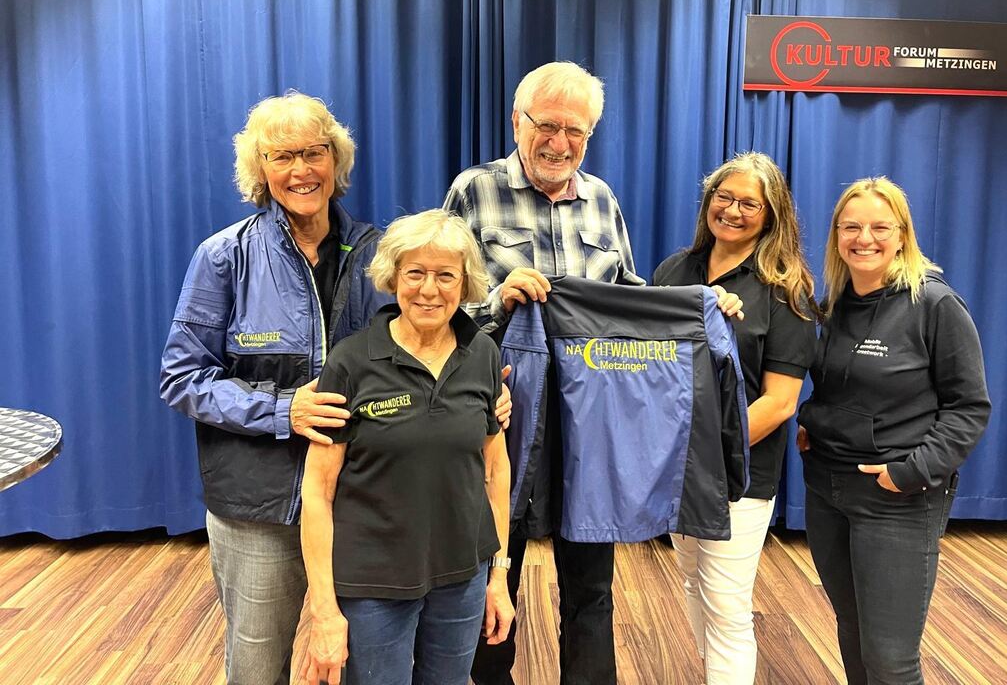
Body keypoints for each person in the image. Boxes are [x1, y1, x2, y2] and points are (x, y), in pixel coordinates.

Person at [160, 93, 511, 684]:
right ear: (260, 169)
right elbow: (182, 378)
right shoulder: (224, 257)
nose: (301, 170)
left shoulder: (378, 251)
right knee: (257, 666)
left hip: (369, 510)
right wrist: (282, 410)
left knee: (361, 664)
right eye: (282, 156)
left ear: (336, 159)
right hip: (261, 506)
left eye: (314, 152)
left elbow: (432, 329)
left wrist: (478, 392)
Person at [444, 61, 643, 685]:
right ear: (517, 121)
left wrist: (701, 306)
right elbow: (434, 302)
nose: (560, 143)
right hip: (502, 416)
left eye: (575, 131)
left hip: (589, 423)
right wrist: (497, 301)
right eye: (547, 126)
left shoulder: (602, 199)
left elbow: (628, 296)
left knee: (592, 583)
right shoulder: (473, 190)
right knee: (493, 571)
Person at [299, 209, 514, 685]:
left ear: (466, 283)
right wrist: (324, 611)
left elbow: (496, 470)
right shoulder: (351, 362)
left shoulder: (482, 354)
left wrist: (498, 574)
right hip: (372, 583)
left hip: (462, 576)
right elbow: (317, 492)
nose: (429, 290)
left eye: (446, 276)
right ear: (393, 277)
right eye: (415, 273)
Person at [797, 177, 991, 684]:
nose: (865, 238)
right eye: (851, 227)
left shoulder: (934, 305)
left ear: (902, 235)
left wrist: (910, 473)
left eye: (880, 228)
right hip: (826, 491)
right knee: (852, 630)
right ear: (836, 235)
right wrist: (812, 420)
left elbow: (969, 407)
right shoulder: (836, 304)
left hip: (896, 499)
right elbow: (838, 386)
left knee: (890, 658)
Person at [653, 152, 818, 685]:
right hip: (673, 469)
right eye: (724, 197)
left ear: (772, 215)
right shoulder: (673, 271)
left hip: (738, 474)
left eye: (750, 203)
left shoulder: (785, 290)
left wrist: (708, 449)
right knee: (692, 581)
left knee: (727, 603)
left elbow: (781, 401)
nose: (732, 210)